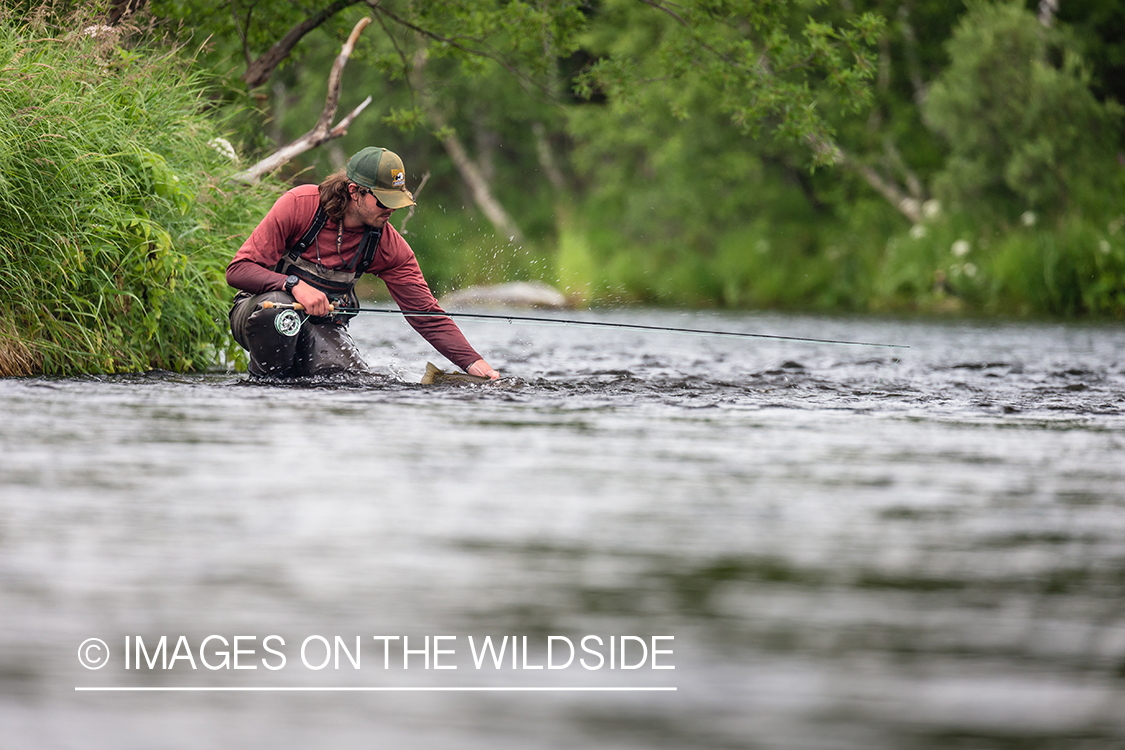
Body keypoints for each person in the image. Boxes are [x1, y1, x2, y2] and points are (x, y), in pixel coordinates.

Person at [226, 146, 500, 380]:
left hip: (323, 326)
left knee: (348, 380)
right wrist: (292, 284)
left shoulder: (388, 246)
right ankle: (264, 393)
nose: (391, 210)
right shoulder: (299, 206)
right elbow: (238, 270)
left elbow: (426, 314)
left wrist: (473, 363)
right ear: (354, 191)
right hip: (257, 312)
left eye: (397, 200)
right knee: (280, 314)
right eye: (383, 201)